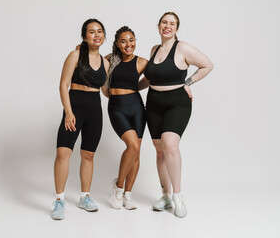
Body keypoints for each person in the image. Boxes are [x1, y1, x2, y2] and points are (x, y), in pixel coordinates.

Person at [143, 12, 213, 218]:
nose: (167, 26)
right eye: (164, 22)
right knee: (159, 150)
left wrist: (188, 82)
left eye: (172, 24)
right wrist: (125, 90)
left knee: (170, 145)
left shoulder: (182, 48)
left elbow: (207, 65)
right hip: (153, 102)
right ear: (158, 26)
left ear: (176, 28)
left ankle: (178, 195)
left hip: (177, 103)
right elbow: (149, 78)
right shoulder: (154, 49)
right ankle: (165, 195)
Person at [51, 19, 109, 220]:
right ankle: (59, 200)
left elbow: (106, 91)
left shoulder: (106, 62)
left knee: (88, 156)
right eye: (92, 32)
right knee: (62, 153)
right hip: (74, 108)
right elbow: (63, 85)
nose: (96, 35)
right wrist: (68, 112)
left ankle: (84, 197)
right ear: (85, 36)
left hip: (95, 110)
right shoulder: (75, 55)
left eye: (99, 31)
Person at [104, 26, 148, 210]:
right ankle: (118, 187)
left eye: (131, 40)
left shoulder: (142, 62)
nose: (128, 44)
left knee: (136, 151)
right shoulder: (110, 59)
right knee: (133, 145)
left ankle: (128, 194)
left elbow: (154, 78)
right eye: (123, 41)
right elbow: (90, 60)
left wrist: (136, 87)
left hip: (136, 107)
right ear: (117, 44)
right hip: (117, 108)